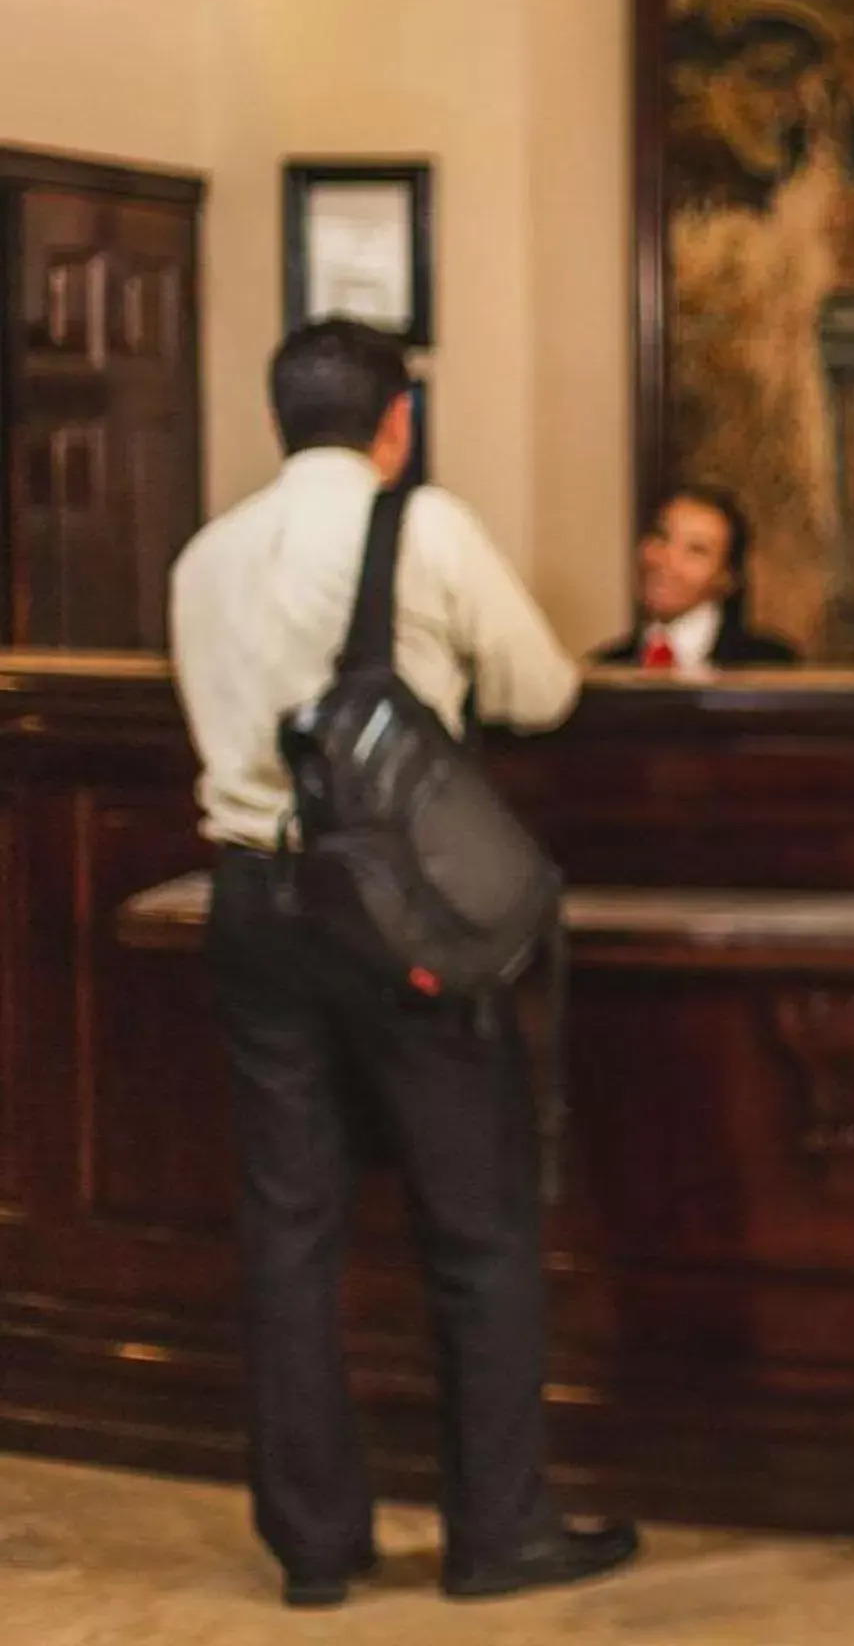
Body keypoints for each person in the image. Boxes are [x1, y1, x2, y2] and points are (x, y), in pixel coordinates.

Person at [166, 319, 641, 1608]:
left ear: (282, 421)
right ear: (397, 420)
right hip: (399, 921)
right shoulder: (419, 529)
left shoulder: (204, 558)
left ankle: (316, 1550)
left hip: (251, 903)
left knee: (289, 1231)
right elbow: (543, 690)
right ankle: (498, 1532)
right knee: (478, 1228)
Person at [591, 486, 802, 671]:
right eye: (661, 536)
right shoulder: (604, 668)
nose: (666, 560)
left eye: (696, 550)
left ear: (726, 578)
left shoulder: (770, 667)